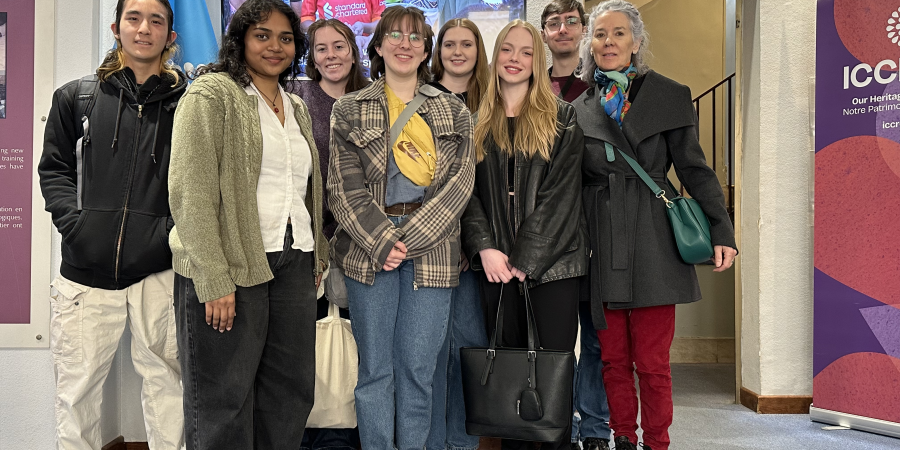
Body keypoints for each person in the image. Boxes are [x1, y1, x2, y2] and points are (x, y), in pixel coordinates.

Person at [573, 2, 737, 450]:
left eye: (619, 34)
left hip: (654, 236)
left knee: (652, 360)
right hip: (602, 237)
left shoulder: (669, 94)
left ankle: (657, 442)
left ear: (636, 42)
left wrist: (722, 232)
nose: (609, 42)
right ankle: (623, 436)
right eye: (600, 34)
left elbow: (695, 170)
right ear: (590, 43)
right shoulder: (579, 107)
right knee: (612, 358)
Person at [168, 0, 328, 448]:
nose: (275, 46)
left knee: (290, 393)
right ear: (239, 40)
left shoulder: (295, 105)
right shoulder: (212, 93)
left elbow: (302, 187)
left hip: (293, 263)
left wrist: (318, 254)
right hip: (230, 266)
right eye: (262, 35)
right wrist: (214, 277)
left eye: (286, 37)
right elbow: (190, 191)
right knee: (224, 397)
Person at [38, 1, 186, 449]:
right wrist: (77, 228)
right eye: (134, 19)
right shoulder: (76, 96)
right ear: (116, 28)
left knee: (168, 392)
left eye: (156, 20)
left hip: (159, 273)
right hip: (84, 276)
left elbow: (200, 181)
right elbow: (54, 170)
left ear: (170, 35)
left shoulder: (188, 103)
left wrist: (168, 236)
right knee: (76, 395)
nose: (145, 29)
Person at [327, 6, 475, 450]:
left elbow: (460, 184)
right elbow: (342, 186)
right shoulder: (350, 109)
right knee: (375, 371)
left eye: (415, 37)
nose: (405, 44)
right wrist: (381, 239)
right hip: (367, 249)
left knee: (418, 370)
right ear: (377, 45)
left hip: (433, 249)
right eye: (395, 35)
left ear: (427, 48)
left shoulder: (453, 110)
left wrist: (408, 238)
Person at [460, 19, 588, 450]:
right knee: (510, 380)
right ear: (495, 58)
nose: (515, 59)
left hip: (552, 270)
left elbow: (561, 198)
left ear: (538, 60)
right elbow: (466, 196)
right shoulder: (475, 121)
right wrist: (487, 250)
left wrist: (524, 261)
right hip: (494, 269)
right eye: (507, 50)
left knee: (548, 378)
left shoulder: (563, 118)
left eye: (526, 51)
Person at [291, 18, 369, 450]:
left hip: (363, 246)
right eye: (321, 49)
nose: (331, 56)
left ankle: (348, 436)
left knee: (358, 350)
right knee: (309, 348)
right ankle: (310, 436)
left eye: (339, 46)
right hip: (309, 245)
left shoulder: (373, 100)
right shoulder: (297, 98)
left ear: (354, 51)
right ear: (311, 57)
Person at [424, 17, 490, 450]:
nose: (458, 52)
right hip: (432, 244)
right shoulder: (422, 98)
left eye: (467, 44)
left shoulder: (493, 100)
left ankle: (462, 443)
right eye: (450, 44)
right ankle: (430, 441)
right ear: (439, 50)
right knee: (428, 353)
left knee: (469, 346)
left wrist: (475, 241)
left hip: (482, 246)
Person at [541, 0, 589, 103]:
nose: (563, 30)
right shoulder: (534, 87)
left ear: (584, 31)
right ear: (543, 36)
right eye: (554, 24)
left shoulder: (600, 82)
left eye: (571, 22)